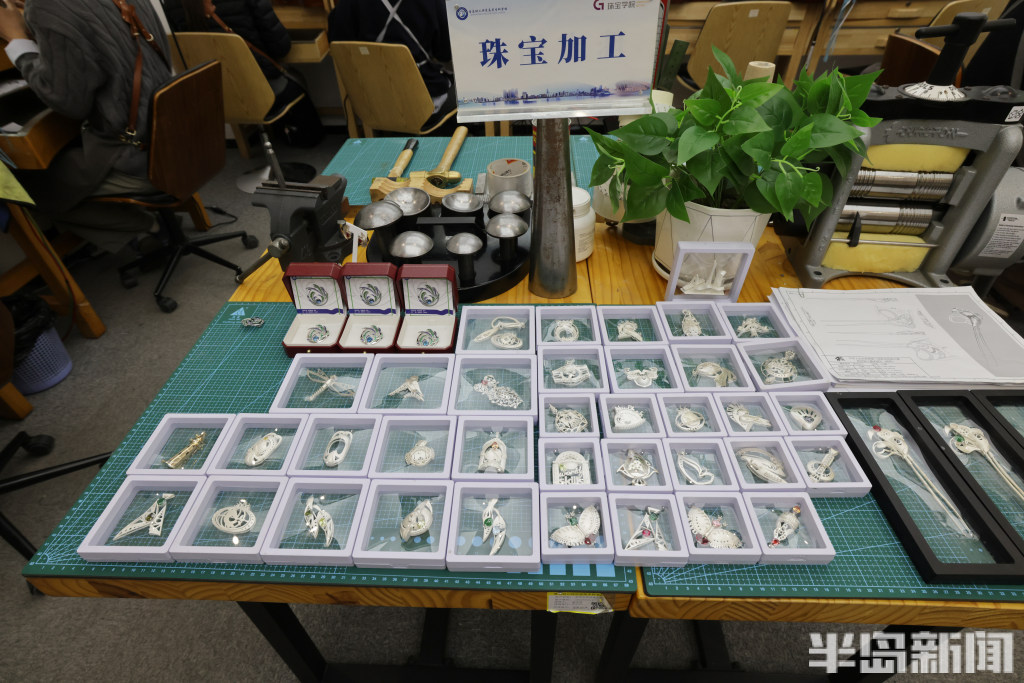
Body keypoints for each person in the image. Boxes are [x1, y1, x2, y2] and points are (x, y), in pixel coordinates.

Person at [0, 0, 173, 253]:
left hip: (139, 156)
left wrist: (16, 37)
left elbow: (69, 103)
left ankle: (143, 227)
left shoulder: (46, 7)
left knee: (19, 187)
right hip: (177, 135)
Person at [162, 0, 324, 147]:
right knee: (294, 79)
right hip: (261, 91)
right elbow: (281, 48)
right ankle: (302, 138)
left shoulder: (170, 5)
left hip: (216, 95)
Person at [328, 0, 455, 128]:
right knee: (459, 87)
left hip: (371, 103)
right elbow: (445, 53)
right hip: (425, 104)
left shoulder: (347, 4)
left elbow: (339, 46)